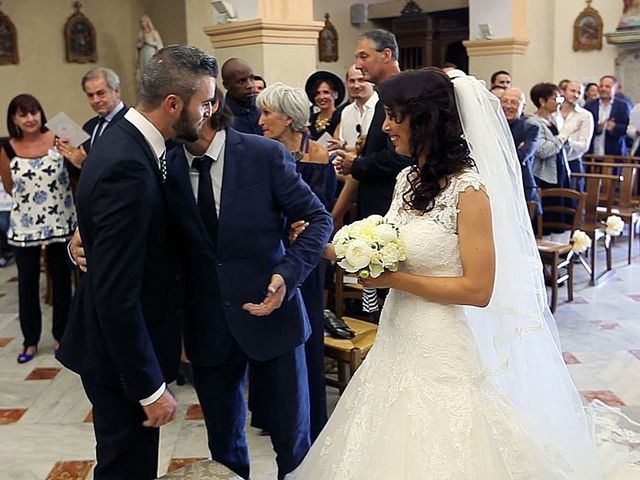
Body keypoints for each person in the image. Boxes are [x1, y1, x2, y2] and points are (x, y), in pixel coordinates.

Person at [288, 67, 600, 480]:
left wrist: (391, 280)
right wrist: (331, 248)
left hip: (442, 342)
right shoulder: (407, 179)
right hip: (398, 332)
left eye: (392, 116)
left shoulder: (470, 191)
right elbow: (392, 250)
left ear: (424, 119)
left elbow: (477, 289)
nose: (385, 127)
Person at [57, 45, 217, 480]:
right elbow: (116, 291)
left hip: (131, 345)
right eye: (204, 102)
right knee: (126, 468)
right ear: (172, 103)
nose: (209, 111)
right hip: (119, 358)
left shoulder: (136, 141)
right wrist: (149, 387)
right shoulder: (125, 163)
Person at [164, 79, 333, 479]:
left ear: (208, 106)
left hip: (272, 314)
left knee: (292, 440)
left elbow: (318, 220)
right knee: (224, 445)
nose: (165, 114)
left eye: (174, 105)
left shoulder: (264, 154)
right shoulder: (166, 165)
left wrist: (288, 275)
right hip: (207, 322)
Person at [256, 82, 336, 441]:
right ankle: (271, 413)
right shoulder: (260, 153)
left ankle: (309, 414)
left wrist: (300, 231)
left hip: (306, 255)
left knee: (306, 329)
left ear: (288, 118)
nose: (260, 120)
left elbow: (319, 209)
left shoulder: (318, 154)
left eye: (267, 113)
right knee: (269, 329)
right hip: (270, 250)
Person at [0, 94, 76, 364]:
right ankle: (30, 341)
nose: (30, 119)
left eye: (34, 112)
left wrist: (76, 153)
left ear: (42, 114)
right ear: (14, 120)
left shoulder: (60, 136)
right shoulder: (7, 149)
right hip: (25, 227)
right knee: (28, 285)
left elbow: (83, 162)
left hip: (59, 222)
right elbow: (9, 187)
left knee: (61, 281)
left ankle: (62, 336)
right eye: (23, 114)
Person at [334, 29, 413, 220]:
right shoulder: (384, 97)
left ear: (386, 54)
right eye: (357, 58)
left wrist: (357, 164)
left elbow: (402, 156)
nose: (358, 65)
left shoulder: (401, 95)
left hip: (391, 205)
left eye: (364, 56)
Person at [56, 67, 127, 170]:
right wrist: (69, 153)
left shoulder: (131, 122)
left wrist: (84, 162)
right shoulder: (89, 126)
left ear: (116, 91)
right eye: (90, 95)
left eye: (101, 93)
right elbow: (80, 170)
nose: (96, 100)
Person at [501, 87, 542, 216]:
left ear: (522, 106)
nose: (508, 106)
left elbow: (521, 156)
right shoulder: (492, 128)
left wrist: (499, 152)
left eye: (513, 102)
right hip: (498, 188)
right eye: (504, 101)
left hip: (522, 188)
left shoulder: (530, 128)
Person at [558, 80, 594, 192]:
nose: (576, 95)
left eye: (579, 92)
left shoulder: (585, 115)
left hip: (573, 161)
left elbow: (584, 145)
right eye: (572, 91)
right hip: (552, 162)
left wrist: (566, 142)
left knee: (574, 202)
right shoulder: (553, 112)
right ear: (562, 91)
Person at [585, 75, 631, 156]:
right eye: (601, 86)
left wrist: (614, 127)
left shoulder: (623, 106)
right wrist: (598, 127)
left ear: (615, 89)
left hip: (614, 152)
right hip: (592, 152)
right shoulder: (589, 106)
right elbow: (584, 127)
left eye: (607, 87)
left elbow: (628, 128)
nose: (603, 89)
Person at [221, 58, 263, 135]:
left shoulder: (264, 109)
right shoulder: (220, 117)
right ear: (226, 85)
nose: (250, 85)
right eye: (241, 81)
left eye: (251, 78)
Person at [305, 70, 345, 140]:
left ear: (336, 94)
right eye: (317, 93)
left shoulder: (342, 117)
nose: (321, 97)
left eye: (326, 92)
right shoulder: (310, 119)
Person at [136, 14, 163, 85]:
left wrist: (150, 42)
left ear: (147, 22)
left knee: (151, 71)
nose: (142, 23)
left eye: (143, 21)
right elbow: (138, 47)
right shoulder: (140, 34)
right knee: (144, 73)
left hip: (151, 53)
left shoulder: (154, 33)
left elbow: (160, 45)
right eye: (141, 22)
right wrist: (141, 43)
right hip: (143, 54)